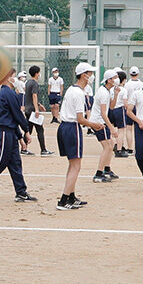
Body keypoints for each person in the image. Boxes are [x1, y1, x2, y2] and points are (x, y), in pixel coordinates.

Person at [55, 63, 98, 210]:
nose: (91, 76)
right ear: (83, 75)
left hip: (65, 127)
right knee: (76, 166)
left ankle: (71, 196)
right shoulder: (79, 93)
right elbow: (80, 119)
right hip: (72, 128)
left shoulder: (72, 89)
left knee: (73, 164)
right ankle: (64, 199)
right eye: (89, 73)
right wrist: (94, 125)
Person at [0, 72, 35, 203]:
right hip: (4, 133)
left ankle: (21, 191)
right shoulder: (7, 93)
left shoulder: (9, 93)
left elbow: (12, 118)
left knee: (15, 163)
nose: (15, 79)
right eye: (14, 76)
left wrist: (20, 138)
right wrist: (26, 130)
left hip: (10, 132)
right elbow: (17, 115)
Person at [91, 69, 118, 183]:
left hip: (101, 121)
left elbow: (111, 107)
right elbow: (103, 113)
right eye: (114, 78)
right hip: (98, 122)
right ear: (109, 80)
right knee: (107, 146)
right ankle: (98, 173)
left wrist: (116, 94)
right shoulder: (103, 92)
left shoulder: (107, 91)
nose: (116, 80)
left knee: (110, 144)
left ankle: (107, 169)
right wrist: (111, 128)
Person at [23, 66, 50, 156]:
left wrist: (39, 104)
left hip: (28, 109)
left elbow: (30, 96)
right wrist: (37, 109)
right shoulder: (34, 83)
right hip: (32, 110)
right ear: (36, 73)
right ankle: (43, 150)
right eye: (39, 72)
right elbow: (34, 96)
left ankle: (24, 148)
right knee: (40, 129)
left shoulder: (28, 82)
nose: (39, 74)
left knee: (29, 129)